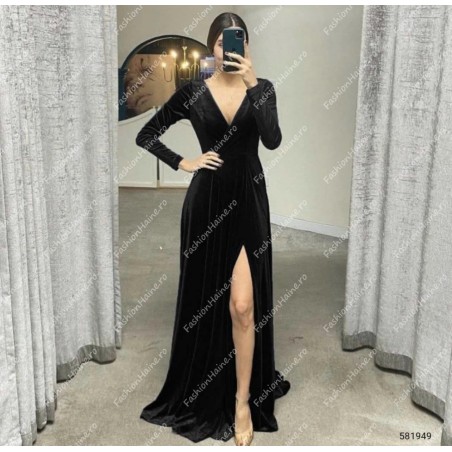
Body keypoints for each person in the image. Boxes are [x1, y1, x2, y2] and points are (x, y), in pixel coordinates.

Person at [136, 12, 290, 446]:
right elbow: (147, 134)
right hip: (206, 205)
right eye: (221, 42)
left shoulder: (263, 88)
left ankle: (242, 401)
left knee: (242, 305)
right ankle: (206, 378)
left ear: (246, 47)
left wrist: (254, 85)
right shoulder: (192, 93)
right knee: (207, 301)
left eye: (236, 41)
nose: (228, 49)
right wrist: (183, 162)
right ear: (212, 48)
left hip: (249, 200)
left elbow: (273, 140)